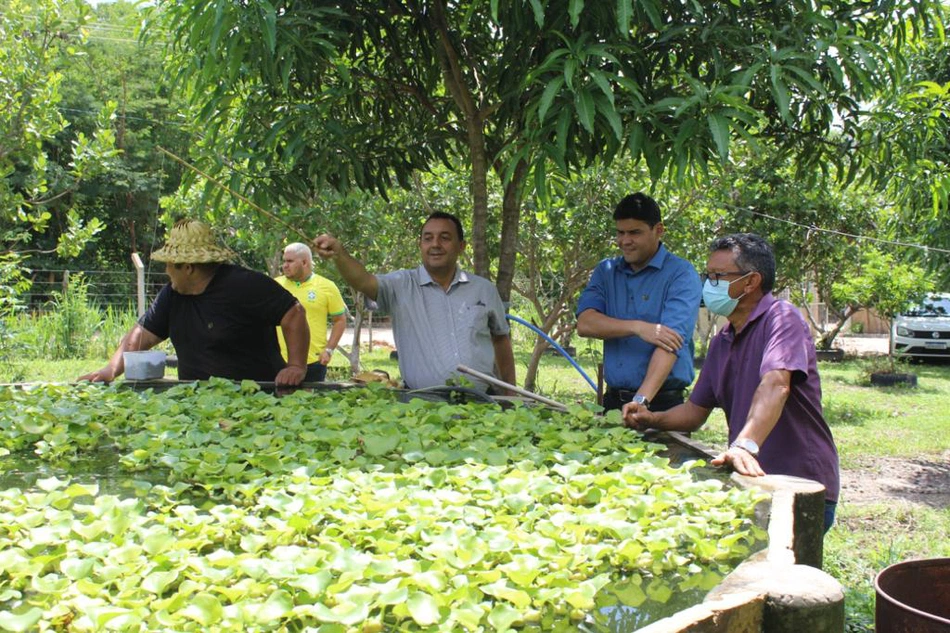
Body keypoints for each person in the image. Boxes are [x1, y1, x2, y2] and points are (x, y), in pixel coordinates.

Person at [622, 233, 840, 532]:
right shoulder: (723, 340)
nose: (708, 285)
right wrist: (651, 418)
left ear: (751, 282)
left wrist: (744, 445)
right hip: (751, 481)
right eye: (707, 276)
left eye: (718, 276)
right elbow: (695, 411)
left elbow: (777, 384)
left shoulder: (782, 319)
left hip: (798, 485)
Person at [79, 219, 309, 386]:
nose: (166, 271)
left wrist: (296, 365)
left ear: (188, 267)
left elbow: (294, 312)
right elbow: (142, 334)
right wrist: (111, 369)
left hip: (257, 398)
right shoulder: (172, 294)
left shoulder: (245, 285)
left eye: (169, 264)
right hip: (196, 403)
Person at [313, 211, 516, 392]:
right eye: (428, 238)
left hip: (481, 403)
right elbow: (364, 281)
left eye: (445, 238)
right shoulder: (400, 285)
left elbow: (500, 339)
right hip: (421, 406)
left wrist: (510, 393)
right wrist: (339, 254)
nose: (435, 244)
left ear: (461, 246)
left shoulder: (483, 289)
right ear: (420, 245)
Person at [576, 193, 702, 412]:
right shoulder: (606, 271)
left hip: (662, 404)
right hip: (613, 401)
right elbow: (585, 324)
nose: (625, 241)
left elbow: (669, 343)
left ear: (658, 230)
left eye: (635, 232)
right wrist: (638, 328)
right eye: (620, 232)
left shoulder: (681, 274)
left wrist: (641, 400)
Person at [275, 242, 347, 382]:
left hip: (313, 362)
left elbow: (340, 320)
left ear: (304, 262)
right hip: (279, 360)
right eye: (284, 261)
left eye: (289, 261)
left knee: (312, 403)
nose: (284, 265)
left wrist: (329, 350)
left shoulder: (327, 287)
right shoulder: (275, 285)